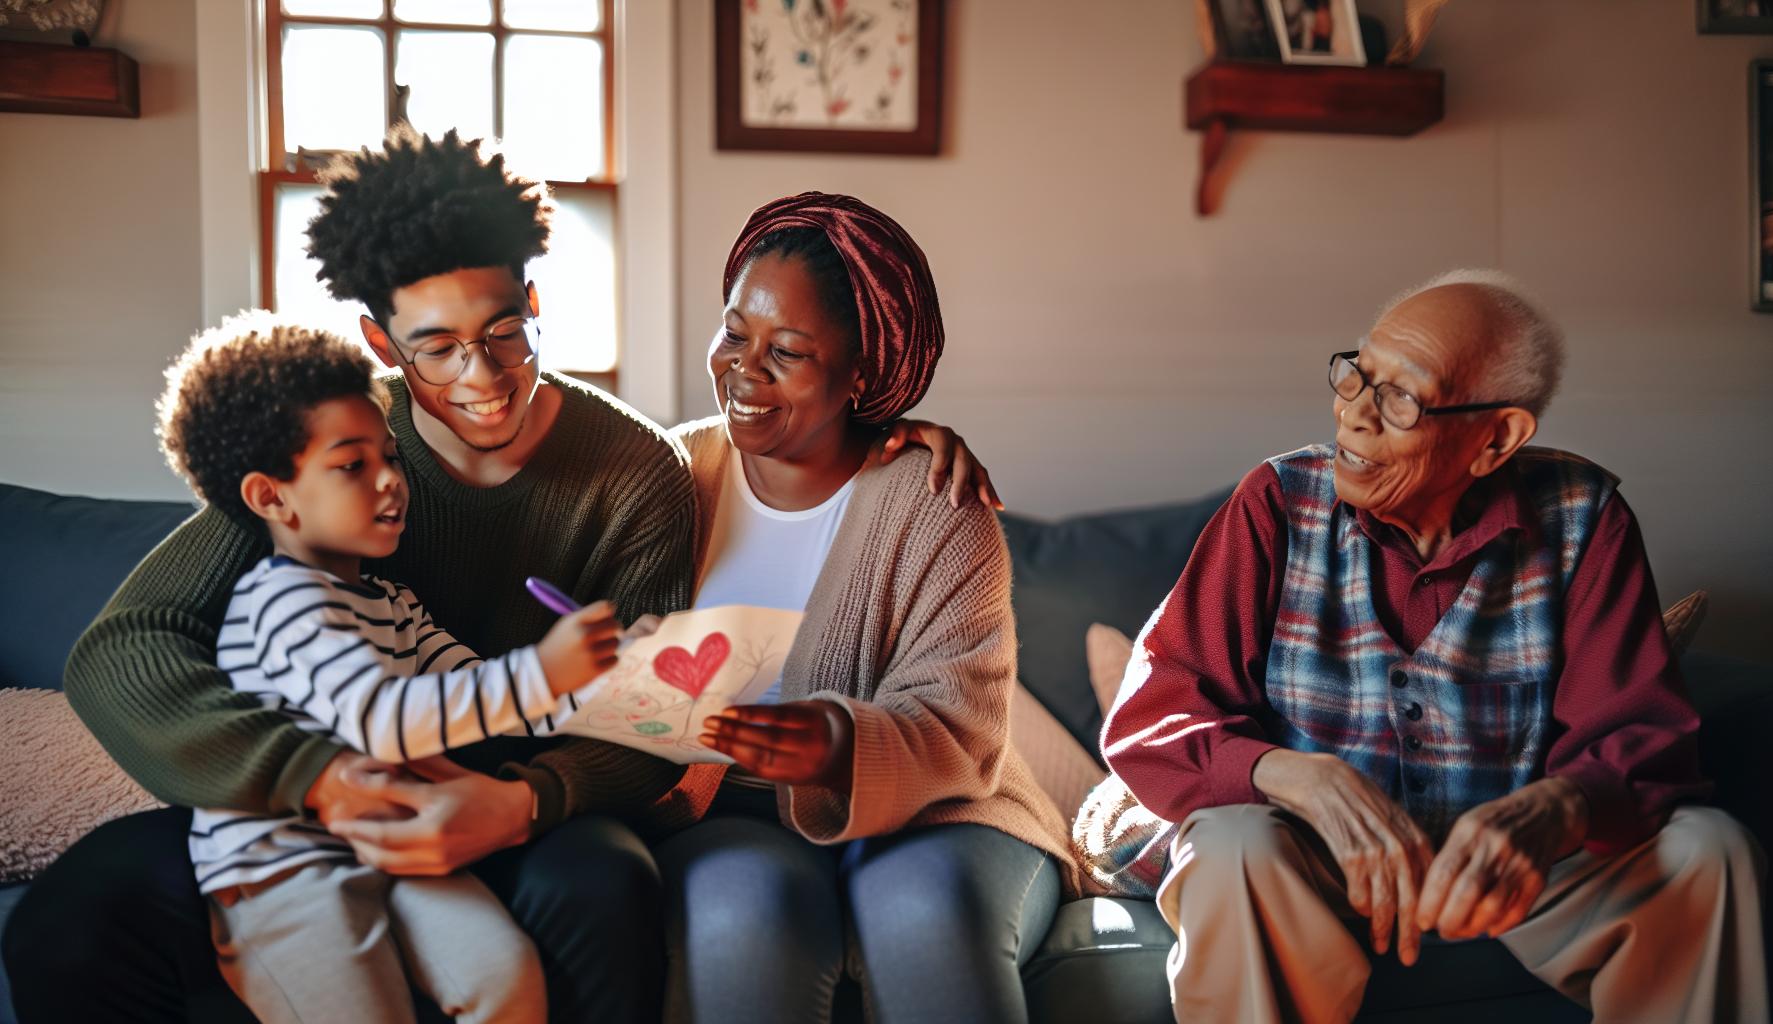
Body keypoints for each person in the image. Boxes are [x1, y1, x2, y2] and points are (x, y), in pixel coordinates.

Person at [0, 129, 994, 1023]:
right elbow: (124, 649)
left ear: (532, 303)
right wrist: (310, 778)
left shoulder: (635, 471)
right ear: (381, 344)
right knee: (69, 923)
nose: (480, 378)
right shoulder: (329, 441)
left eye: (503, 334)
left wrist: (526, 799)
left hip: (513, 803)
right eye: (436, 349)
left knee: (600, 885)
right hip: (299, 799)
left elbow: (649, 726)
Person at [1090, 270, 1769, 1023]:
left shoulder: (1585, 519)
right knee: (1233, 846)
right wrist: (1299, 778)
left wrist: (1559, 805)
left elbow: (1643, 734)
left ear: (1496, 439)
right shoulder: (1275, 503)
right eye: (1357, 376)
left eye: (1400, 398)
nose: (1353, 416)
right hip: (1312, 862)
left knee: (1709, 851)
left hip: (1506, 870)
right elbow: (1155, 719)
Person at [641, 193, 1076, 1024]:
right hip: (728, 806)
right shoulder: (666, 476)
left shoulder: (937, 500)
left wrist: (840, 742)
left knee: (923, 909)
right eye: (735, 333)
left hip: (945, 811)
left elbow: (963, 724)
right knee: (743, 915)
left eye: (789, 352)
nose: (744, 368)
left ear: (864, 374)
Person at [159, 313, 626, 1023]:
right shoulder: (279, 602)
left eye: (391, 457)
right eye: (353, 465)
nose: (388, 482)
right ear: (270, 496)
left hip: (392, 845)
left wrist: (608, 679)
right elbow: (383, 721)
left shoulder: (392, 603)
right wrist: (542, 671)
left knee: (505, 976)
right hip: (287, 870)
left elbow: (476, 688)